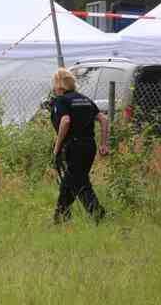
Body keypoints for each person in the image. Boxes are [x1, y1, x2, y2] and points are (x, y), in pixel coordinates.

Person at [49, 68, 109, 224]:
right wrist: (103, 144)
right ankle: (60, 215)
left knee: (80, 182)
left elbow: (65, 121)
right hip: (90, 146)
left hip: (73, 146)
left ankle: (98, 213)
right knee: (72, 179)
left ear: (59, 85)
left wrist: (57, 147)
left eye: (54, 85)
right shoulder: (85, 99)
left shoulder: (61, 100)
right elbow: (103, 119)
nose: (54, 88)